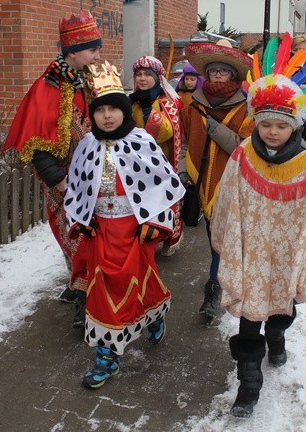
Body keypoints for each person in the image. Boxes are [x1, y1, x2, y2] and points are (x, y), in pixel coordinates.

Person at [210, 71, 306, 418]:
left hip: (286, 257)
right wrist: (229, 240)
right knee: (249, 319)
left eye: (281, 125)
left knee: (281, 309)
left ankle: (277, 336)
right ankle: (249, 384)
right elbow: (226, 200)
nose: (272, 132)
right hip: (252, 254)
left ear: (294, 125)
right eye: (266, 125)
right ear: (257, 123)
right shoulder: (242, 155)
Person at [64, 62, 185, 388]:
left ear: (122, 111)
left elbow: (163, 185)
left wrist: (156, 223)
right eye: (100, 110)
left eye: (113, 109)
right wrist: (81, 219)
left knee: (141, 282)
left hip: (134, 231)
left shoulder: (141, 141)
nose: (107, 116)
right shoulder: (87, 145)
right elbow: (77, 187)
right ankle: (107, 356)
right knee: (102, 291)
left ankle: (155, 314)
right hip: (101, 232)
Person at [2, 11, 102, 327]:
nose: (98, 55)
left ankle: (81, 285)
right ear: (73, 51)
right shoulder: (47, 89)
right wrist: (58, 180)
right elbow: (34, 144)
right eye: (93, 49)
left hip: (92, 174)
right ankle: (84, 301)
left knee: (93, 235)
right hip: (64, 181)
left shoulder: (89, 79)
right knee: (77, 238)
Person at [178, 40, 255, 319]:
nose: (218, 76)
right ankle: (216, 282)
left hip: (234, 187)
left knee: (224, 240)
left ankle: (216, 288)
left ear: (233, 75)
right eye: (213, 71)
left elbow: (243, 147)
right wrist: (182, 171)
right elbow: (185, 143)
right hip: (202, 188)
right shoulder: (192, 108)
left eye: (223, 71)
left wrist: (213, 128)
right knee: (215, 241)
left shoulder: (247, 110)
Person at [129, 55, 185, 256]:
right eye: (138, 75)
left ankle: (165, 236)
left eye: (147, 75)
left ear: (157, 77)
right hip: (136, 164)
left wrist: (147, 112)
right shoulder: (132, 101)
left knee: (161, 204)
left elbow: (165, 132)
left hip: (161, 163)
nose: (142, 78)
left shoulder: (166, 103)